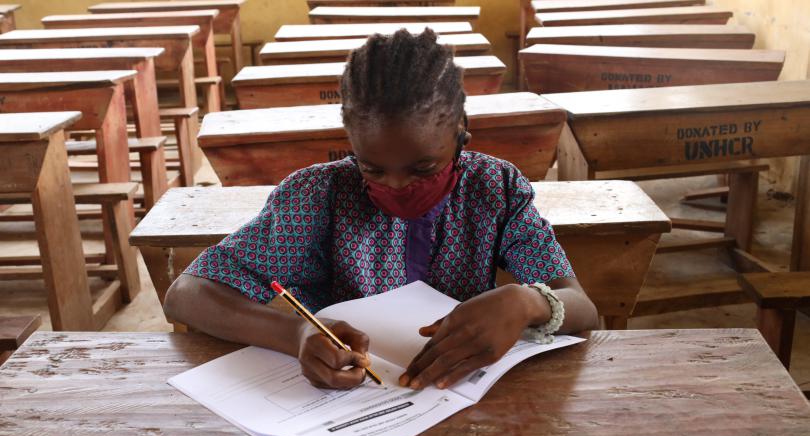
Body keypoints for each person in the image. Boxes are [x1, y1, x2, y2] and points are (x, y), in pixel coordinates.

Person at [164, 28, 599, 391]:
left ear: (461, 133)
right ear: (351, 144)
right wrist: (298, 333)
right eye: (372, 167)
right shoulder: (317, 196)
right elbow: (188, 295)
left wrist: (528, 302)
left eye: (423, 167)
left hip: (462, 392)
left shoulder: (495, 189)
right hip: (352, 396)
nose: (396, 184)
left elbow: (581, 306)